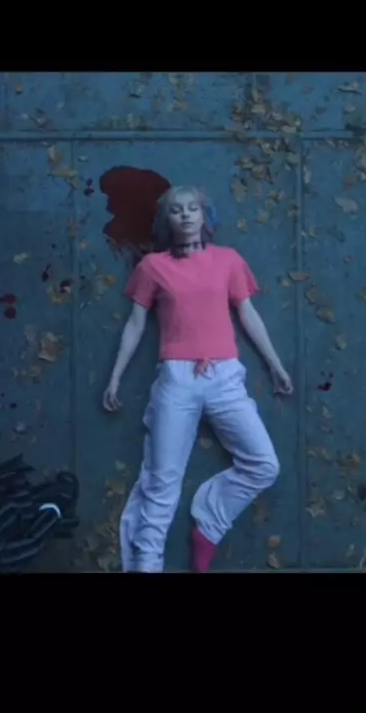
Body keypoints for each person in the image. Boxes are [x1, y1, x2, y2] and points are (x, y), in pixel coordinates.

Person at [102, 186, 293, 573]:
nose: (186, 215)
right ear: (167, 220)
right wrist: (115, 376)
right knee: (161, 483)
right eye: (177, 210)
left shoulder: (228, 260)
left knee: (264, 465)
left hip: (225, 377)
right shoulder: (152, 267)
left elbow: (248, 314)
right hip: (177, 380)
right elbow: (136, 324)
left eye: (193, 208)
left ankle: (210, 523)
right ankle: (145, 563)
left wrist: (275, 365)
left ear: (205, 216)